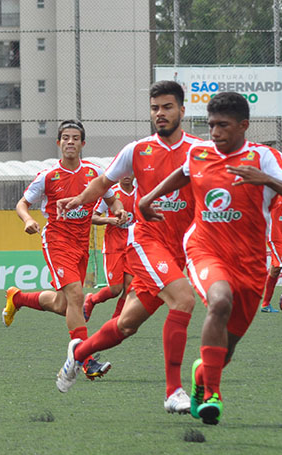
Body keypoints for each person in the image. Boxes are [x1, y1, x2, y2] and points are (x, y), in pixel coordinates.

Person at [137, 91, 282, 425]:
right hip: (204, 248)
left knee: (226, 349)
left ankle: (204, 376)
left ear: (243, 126)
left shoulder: (264, 158)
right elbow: (184, 173)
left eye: (223, 126)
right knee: (219, 300)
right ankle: (213, 393)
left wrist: (267, 180)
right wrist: (149, 198)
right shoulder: (200, 152)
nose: (215, 133)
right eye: (211, 125)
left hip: (250, 262)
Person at [56, 81, 201, 412]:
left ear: (182, 109)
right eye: (154, 108)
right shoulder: (137, 150)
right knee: (183, 299)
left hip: (179, 251)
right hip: (147, 242)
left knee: (125, 326)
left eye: (166, 107)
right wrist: (79, 199)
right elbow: (103, 183)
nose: (160, 114)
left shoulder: (198, 150)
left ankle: (77, 353)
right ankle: (174, 391)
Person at [1, 120, 125, 387]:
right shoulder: (48, 176)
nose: (70, 142)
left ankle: (18, 297)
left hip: (81, 245)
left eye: (75, 138)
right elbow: (22, 203)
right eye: (65, 138)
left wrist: (118, 210)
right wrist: (27, 220)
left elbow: (112, 198)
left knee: (63, 304)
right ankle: (86, 359)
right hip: (56, 241)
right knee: (77, 297)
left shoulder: (95, 173)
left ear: (83, 144)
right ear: (58, 143)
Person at [85, 174, 137, 322]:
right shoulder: (111, 194)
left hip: (134, 246)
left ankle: (116, 322)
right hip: (114, 245)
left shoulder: (140, 192)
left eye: (130, 172)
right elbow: (92, 217)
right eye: (123, 172)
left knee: (130, 288)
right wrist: (110, 220)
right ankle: (92, 300)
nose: (126, 176)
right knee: (115, 289)